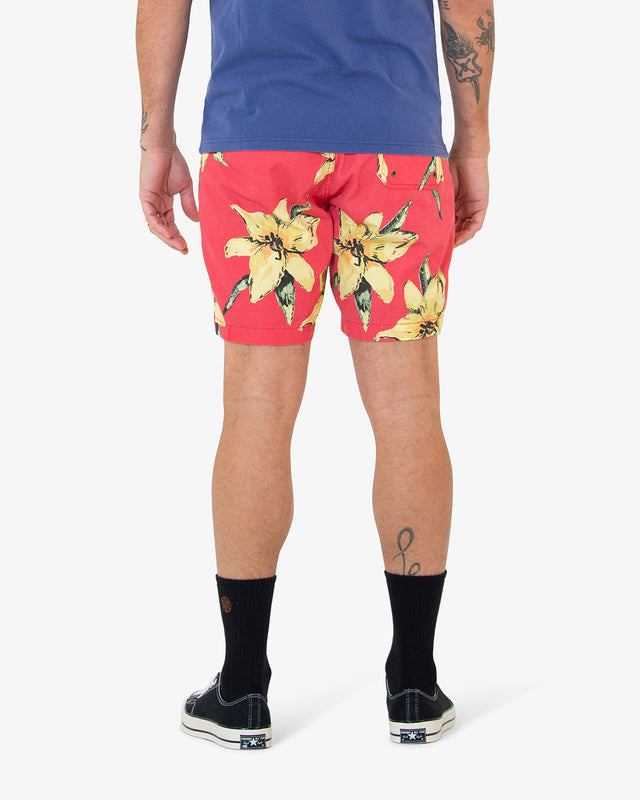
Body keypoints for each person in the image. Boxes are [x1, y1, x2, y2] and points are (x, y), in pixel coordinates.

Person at [136, 0, 493, 749]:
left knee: (255, 407)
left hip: (254, 137)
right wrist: (475, 143)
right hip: (397, 141)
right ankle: (415, 685)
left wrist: (155, 135)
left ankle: (241, 689)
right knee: (408, 406)